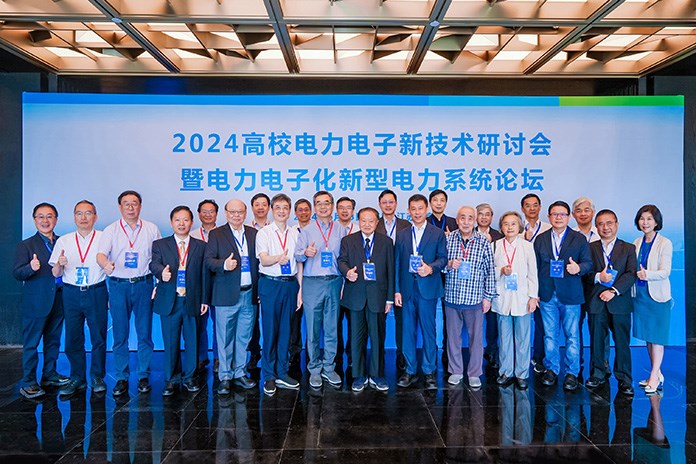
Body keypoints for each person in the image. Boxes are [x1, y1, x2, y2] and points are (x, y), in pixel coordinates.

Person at [97, 190, 161, 396]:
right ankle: (121, 377)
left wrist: (158, 283)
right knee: (120, 334)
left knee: (145, 333)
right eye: (126, 204)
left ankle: (143, 375)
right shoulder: (111, 230)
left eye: (134, 203)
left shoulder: (151, 228)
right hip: (119, 286)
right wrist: (105, 264)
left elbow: (158, 258)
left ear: (140, 206)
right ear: (120, 207)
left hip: (144, 285)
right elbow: (100, 255)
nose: (131, 208)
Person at [49, 200, 107, 397]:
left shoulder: (104, 238)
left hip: (96, 290)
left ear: (95, 216)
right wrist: (59, 264)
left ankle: (97, 376)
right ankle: (77, 377)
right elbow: (55, 273)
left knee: (98, 335)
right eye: (79, 213)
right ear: (74, 217)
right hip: (71, 292)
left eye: (88, 213)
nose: (83, 217)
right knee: (73, 337)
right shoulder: (64, 241)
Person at [533, 200, 592, 391]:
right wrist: (535, 293)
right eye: (554, 214)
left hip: (571, 294)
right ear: (549, 217)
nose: (558, 217)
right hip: (547, 293)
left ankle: (572, 373)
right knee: (550, 335)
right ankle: (551, 369)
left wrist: (578, 268)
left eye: (562, 214)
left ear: (569, 217)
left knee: (572, 335)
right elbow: (535, 268)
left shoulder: (579, 239)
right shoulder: (541, 239)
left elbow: (589, 263)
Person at [150, 206, 208, 396]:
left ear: (192, 222)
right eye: (177, 220)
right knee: (171, 341)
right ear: (171, 222)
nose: (181, 223)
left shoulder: (201, 246)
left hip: (192, 299)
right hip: (170, 300)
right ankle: (171, 379)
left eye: (185, 220)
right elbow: (153, 264)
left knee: (192, 340)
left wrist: (204, 299)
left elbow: (204, 274)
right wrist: (161, 272)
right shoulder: (160, 244)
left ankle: (190, 377)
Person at [13, 202, 69, 399]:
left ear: (56, 219)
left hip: (59, 298)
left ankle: (49, 374)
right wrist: (31, 267)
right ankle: (28, 382)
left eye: (49, 216)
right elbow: (17, 273)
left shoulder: (63, 242)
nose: (45, 221)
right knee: (31, 343)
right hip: (36, 302)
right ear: (35, 220)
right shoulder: (26, 245)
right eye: (41, 217)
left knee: (53, 340)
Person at [204, 199, 259, 395]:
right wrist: (223, 265)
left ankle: (240, 372)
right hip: (226, 294)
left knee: (244, 336)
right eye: (232, 212)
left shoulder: (253, 233)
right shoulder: (217, 234)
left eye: (240, 212)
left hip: (249, 293)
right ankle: (225, 375)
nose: (236, 215)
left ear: (245, 213)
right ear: (226, 213)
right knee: (225, 337)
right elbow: (208, 261)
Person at [338, 207, 394, 392]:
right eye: (363, 220)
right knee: (356, 338)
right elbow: (341, 261)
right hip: (355, 296)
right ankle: (359, 375)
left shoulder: (386, 242)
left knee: (377, 337)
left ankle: (377, 375)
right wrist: (347, 272)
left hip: (378, 296)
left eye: (371, 221)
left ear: (377, 222)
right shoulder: (348, 240)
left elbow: (391, 271)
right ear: (358, 221)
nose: (367, 224)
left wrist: (389, 299)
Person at [395, 194, 448, 389]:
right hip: (407, 289)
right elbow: (397, 263)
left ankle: (429, 371)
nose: (417, 212)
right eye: (413, 209)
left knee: (428, 331)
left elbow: (443, 258)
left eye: (420, 208)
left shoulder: (437, 233)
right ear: (408, 211)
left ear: (426, 209)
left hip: (428, 289)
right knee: (407, 332)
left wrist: (430, 268)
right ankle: (410, 370)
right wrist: (397, 290)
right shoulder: (402, 234)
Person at [582, 209, 636, 397]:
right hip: (596, 302)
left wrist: (613, 291)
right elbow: (585, 273)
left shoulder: (628, 248)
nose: (605, 227)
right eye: (601, 224)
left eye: (609, 223)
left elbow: (631, 274)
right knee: (597, 340)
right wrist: (598, 276)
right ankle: (598, 374)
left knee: (622, 342)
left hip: (619, 302)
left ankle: (625, 379)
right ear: (596, 227)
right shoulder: (589, 248)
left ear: (616, 224)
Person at [295, 191, 346, 388]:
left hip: (334, 281)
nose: (323, 207)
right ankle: (314, 369)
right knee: (313, 329)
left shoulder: (340, 229)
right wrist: (305, 252)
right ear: (314, 208)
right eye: (319, 203)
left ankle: (329, 368)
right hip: (312, 283)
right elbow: (297, 256)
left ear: (332, 206)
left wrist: (343, 283)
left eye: (326, 203)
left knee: (332, 328)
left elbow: (345, 258)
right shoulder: (307, 230)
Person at [443, 206, 496, 388]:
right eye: (462, 218)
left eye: (470, 218)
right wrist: (449, 264)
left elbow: (490, 271)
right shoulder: (448, 239)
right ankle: (456, 371)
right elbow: (440, 265)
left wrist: (488, 297)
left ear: (474, 221)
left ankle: (474, 373)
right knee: (453, 338)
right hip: (452, 298)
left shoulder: (483, 242)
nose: (466, 222)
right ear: (457, 220)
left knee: (476, 339)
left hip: (475, 299)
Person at [256, 193, 302, 395]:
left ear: (289, 211)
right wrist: (278, 258)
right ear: (272, 210)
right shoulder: (264, 233)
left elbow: (299, 264)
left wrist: (300, 291)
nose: (282, 211)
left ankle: (282, 372)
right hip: (270, 284)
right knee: (270, 330)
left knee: (286, 330)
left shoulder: (296, 233)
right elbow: (263, 259)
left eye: (285, 208)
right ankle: (268, 375)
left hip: (290, 285)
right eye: (278, 208)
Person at [491, 211, 538, 390]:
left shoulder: (527, 246)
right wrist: (501, 270)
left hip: (522, 298)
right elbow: (489, 271)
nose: (509, 227)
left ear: (519, 227)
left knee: (523, 338)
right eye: (506, 224)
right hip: (502, 297)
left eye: (513, 224)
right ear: (501, 227)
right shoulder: (495, 246)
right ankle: (506, 371)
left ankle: (522, 374)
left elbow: (532, 274)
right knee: (504, 338)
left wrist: (533, 297)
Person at [632, 204, 673, 395]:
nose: (645, 222)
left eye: (649, 219)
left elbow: (665, 271)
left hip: (657, 297)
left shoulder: (665, 243)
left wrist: (646, 274)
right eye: (642, 218)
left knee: (657, 338)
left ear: (657, 222)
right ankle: (656, 373)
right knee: (649, 338)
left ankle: (655, 376)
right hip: (640, 296)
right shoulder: (636, 242)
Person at [572, 196, 609, 378]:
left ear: (593, 212)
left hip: (598, 289)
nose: (583, 214)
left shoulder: (603, 233)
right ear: (573, 215)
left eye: (587, 210)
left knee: (600, 328)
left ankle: (602, 363)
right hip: (576, 288)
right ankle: (576, 362)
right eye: (579, 211)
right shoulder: (569, 236)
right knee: (575, 327)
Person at [376, 189, 410, 370]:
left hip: (401, 278)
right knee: (378, 319)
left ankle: (401, 355)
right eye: (384, 202)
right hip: (379, 279)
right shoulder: (374, 224)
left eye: (391, 202)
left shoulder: (406, 225)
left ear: (396, 204)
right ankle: (378, 356)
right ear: (379, 204)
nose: (388, 205)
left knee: (402, 320)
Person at [520, 193, 551, 375]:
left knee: (541, 323)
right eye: (527, 205)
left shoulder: (548, 228)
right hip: (518, 283)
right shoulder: (515, 227)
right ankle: (518, 359)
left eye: (535, 205)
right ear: (522, 208)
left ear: (540, 207)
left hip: (542, 281)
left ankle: (539, 357)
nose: (531, 208)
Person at [428, 189, 457, 363]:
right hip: (430, 273)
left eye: (442, 200)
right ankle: (429, 354)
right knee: (428, 315)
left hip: (450, 274)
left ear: (446, 203)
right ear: (430, 203)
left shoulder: (453, 223)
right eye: (435, 200)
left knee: (449, 316)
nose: (439, 203)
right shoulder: (424, 222)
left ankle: (448, 353)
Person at [475, 203, 505, 371]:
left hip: (493, 284)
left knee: (492, 322)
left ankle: (492, 352)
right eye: (481, 214)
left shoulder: (499, 236)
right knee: (474, 322)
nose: (484, 217)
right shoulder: (468, 233)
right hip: (472, 285)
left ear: (492, 217)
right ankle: (475, 354)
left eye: (487, 214)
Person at [246, 192, 270, 369]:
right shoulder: (245, 229)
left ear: (269, 207)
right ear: (252, 207)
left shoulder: (276, 228)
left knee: (271, 319)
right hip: (252, 278)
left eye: (264, 204)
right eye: (257, 204)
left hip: (270, 278)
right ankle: (254, 353)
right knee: (252, 320)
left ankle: (271, 353)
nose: (260, 207)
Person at [194, 199, 219, 372]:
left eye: (211, 211)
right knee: (199, 323)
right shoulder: (192, 234)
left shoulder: (224, 234)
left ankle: (218, 357)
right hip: (198, 284)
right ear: (199, 214)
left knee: (219, 324)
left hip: (218, 284)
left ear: (216, 214)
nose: (208, 214)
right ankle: (201, 357)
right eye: (204, 211)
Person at [336, 196, 358, 371]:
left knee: (354, 324)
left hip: (354, 285)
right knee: (334, 324)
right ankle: (336, 357)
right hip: (335, 283)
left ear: (353, 211)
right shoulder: (331, 229)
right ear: (336, 211)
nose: (344, 211)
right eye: (341, 208)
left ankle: (352, 357)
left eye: (348, 207)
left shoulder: (359, 229)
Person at [289, 198, 312, 366]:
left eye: (306, 209)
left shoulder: (316, 230)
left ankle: (312, 354)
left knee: (313, 320)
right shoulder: (290, 232)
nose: (303, 213)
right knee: (294, 320)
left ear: (311, 212)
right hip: (295, 280)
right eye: (300, 210)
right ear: (295, 213)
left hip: (314, 281)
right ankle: (294, 353)